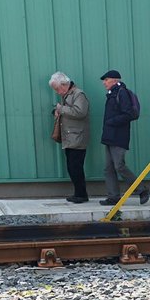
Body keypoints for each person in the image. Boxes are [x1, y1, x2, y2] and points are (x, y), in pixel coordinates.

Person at [99, 70, 149, 205]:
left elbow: (129, 114)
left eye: (106, 80)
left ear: (115, 80)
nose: (104, 83)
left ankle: (141, 189)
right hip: (110, 136)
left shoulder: (122, 93)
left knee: (119, 166)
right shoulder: (112, 94)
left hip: (119, 136)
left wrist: (112, 122)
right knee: (108, 168)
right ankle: (113, 197)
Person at [49, 72, 90, 203]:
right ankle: (79, 193)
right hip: (70, 137)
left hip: (77, 137)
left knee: (75, 167)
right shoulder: (68, 94)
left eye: (57, 89)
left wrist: (61, 109)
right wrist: (56, 111)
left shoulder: (78, 94)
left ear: (64, 84)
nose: (57, 92)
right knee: (72, 167)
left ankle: (81, 195)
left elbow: (80, 112)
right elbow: (68, 111)